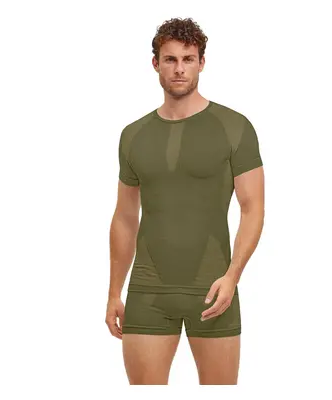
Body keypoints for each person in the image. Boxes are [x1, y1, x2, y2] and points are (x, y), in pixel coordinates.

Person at [106, 17, 265, 385]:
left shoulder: (234, 127)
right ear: (155, 64)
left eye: (188, 59)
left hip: (214, 289)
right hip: (147, 292)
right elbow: (125, 217)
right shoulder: (133, 135)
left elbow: (253, 207)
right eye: (171, 59)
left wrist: (233, 276)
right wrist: (114, 291)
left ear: (201, 63)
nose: (179, 69)